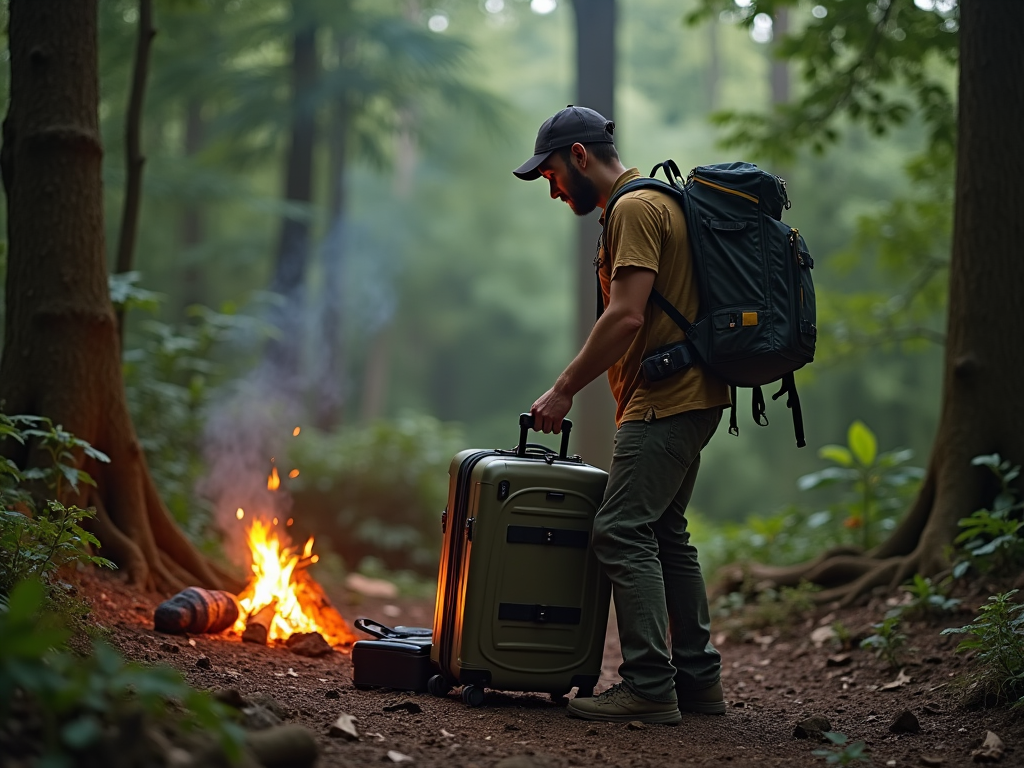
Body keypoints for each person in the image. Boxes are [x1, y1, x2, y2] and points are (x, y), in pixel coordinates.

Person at [513, 105, 731, 725]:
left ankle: (649, 685)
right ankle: (696, 682)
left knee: (620, 529)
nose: (553, 190)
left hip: (664, 397)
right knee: (663, 533)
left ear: (579, 156)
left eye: (552, 174)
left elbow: (628, 314)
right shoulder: (660, 202)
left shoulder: (634, 209)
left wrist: (563, 390)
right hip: (694, 393)